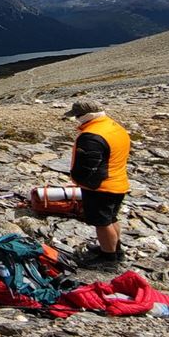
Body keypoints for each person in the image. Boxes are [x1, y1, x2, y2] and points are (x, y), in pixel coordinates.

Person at [63, 100, 131, 268]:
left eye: (77, 116)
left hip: (100, 186)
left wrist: (77, 179)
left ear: (85, 116)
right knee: (111, 217)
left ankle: (108, 259)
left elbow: (87, 165)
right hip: (118, 181)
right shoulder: (114, 127)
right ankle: (115, 249)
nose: (77, 119)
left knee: (101, 222)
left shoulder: (92, 135)